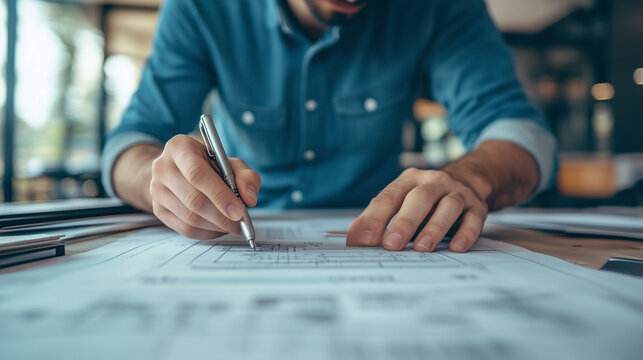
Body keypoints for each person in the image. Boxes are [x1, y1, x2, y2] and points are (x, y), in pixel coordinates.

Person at [102, 0, 557, 253]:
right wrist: (158, 181)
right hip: (239, 234)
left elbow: (522, 133)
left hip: (383, 242)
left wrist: (470, 179)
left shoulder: (440, 8)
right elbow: (128, 145)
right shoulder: (200, 9)